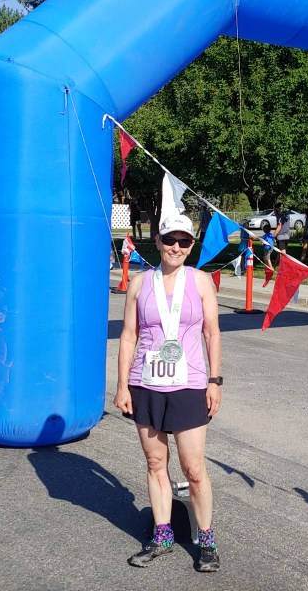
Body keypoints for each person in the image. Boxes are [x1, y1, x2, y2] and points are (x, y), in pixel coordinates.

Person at [115, 213, 223, 572]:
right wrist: (122, 385)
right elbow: (128, 336)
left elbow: (212, 333)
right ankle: (162, 537)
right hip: (146, 384)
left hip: (189, 386)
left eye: (184, 241)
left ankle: (206, 541)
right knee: (155, 463)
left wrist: (214, 381)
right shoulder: (140, 283)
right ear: (158, 242)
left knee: (193, 468)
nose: (177, 247)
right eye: (170, 240)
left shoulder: (201, 281)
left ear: (191, 246)